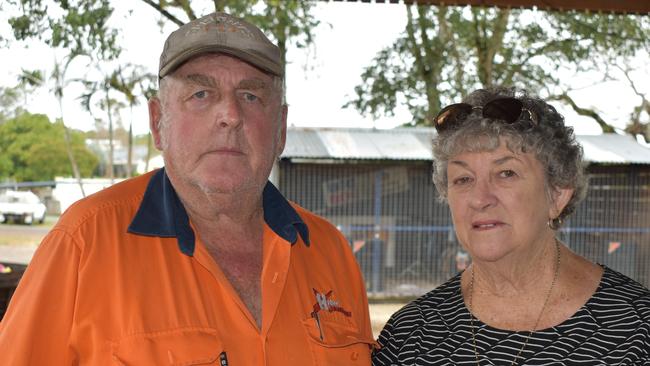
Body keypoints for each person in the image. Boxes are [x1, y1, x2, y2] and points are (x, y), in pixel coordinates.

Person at [0, 12, 376, 365]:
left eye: (251, 95)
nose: (230, 115)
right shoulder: (84, 242)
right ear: (157, 120)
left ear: (280, 128)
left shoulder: (330, 252)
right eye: (201, 94)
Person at [373, 87, 650, 365]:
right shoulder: (410, 337)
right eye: (463, 179)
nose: (480, 199)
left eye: (506, 173)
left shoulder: (636, 330)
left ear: (557, 194)